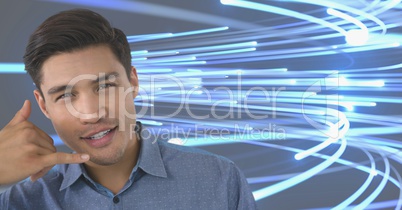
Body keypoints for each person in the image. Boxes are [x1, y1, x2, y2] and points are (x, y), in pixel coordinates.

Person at [0, 9, 257, 209]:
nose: (91, 113)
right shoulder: (18, 200)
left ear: (133, 81)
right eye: (66, 95)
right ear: (43, 105)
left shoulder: (219, 179)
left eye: (105, 86)